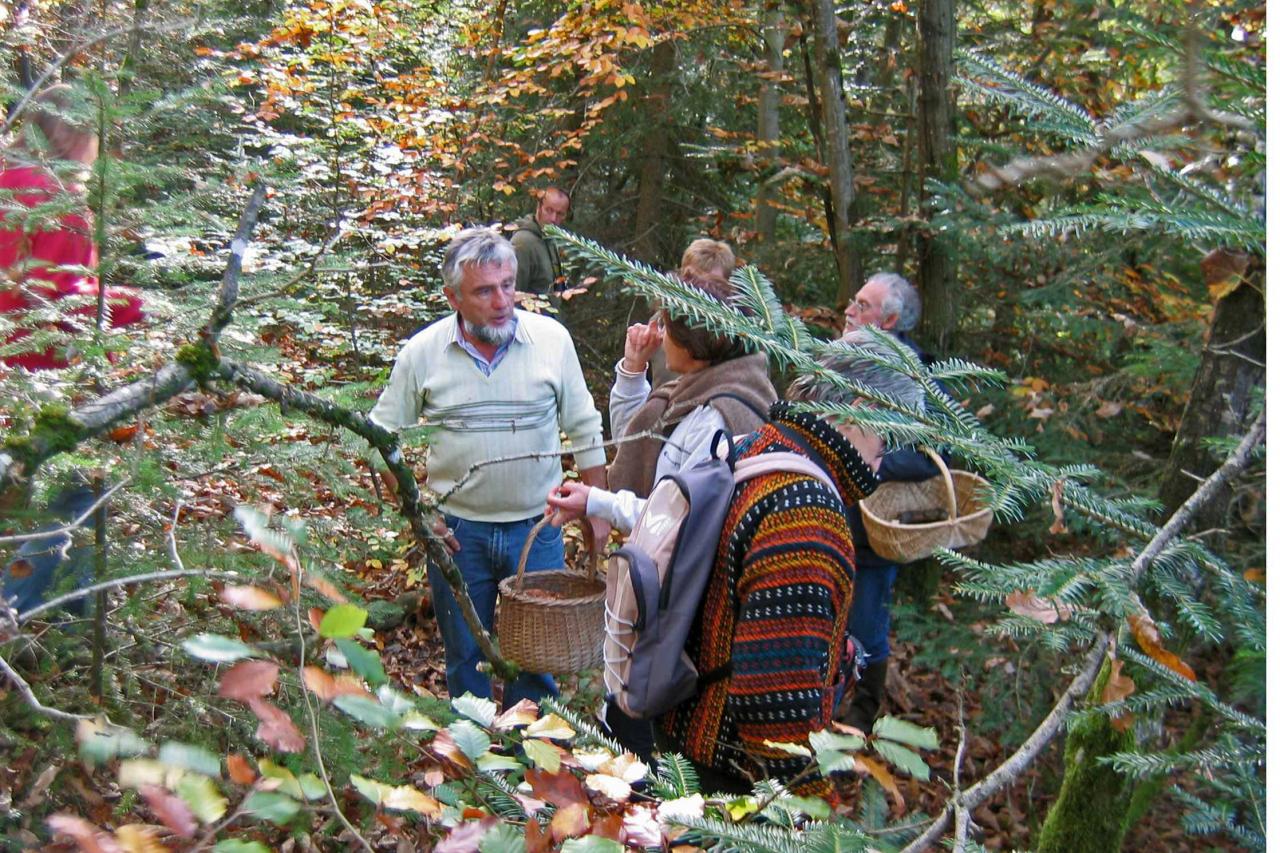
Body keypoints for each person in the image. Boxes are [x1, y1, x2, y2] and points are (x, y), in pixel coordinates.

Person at [653, 338, 925, 798]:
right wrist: (812, 805)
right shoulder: (806, 518)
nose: (886, 457)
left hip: (682, 736)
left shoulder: (763, 444)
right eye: (890, 435)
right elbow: (772, 706)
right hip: (729, 779)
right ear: (860, 409)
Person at [368, 227, 608, 708]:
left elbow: (584, 427)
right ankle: (476, 759)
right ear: (452, 297)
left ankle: (533, 758)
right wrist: (421, 516)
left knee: (537, 663)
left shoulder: (550, 341)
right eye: (484, 290)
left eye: (507, 285)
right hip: (458, 535)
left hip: (537, 528)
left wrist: (596, 509)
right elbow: (379, 438)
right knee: (465, 656)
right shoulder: (423, 352)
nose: (502, 301)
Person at [546, 271, 776, 534]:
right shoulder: (703, 387)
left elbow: (677, 520)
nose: (661, 336)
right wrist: (633, 368)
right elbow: (634, 443)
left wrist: (595, 502)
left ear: (691, 344)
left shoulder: (714, 419)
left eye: (668, 328)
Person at [839, 273, 942, 733]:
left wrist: (875, 462)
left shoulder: (915, 376)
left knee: (865, 627)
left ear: (890, 320)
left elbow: (936, 453)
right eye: (854, 302)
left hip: (873, 533)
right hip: (830, 519)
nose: (849, 311)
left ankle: (861, 719)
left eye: (862, 305)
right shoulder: (840, 361)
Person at [0, 84, 144, 370]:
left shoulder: (6, 180)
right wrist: (135, 304)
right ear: (67, 135)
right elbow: (56, 297)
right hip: (39, 359)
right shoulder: (61, 199)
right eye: (91, 134)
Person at [649, 238, 737, 387]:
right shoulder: (659, 323)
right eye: (693, 280)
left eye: (711, 284)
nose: (700, 291)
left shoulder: (740, 334)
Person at [509, 187, 570, 295]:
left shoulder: (551, 241)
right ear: (539, 207)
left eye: (560, 214)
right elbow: (511, 295)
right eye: (549, 210)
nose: (553, 218)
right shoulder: (522, 243)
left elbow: (557, 288)